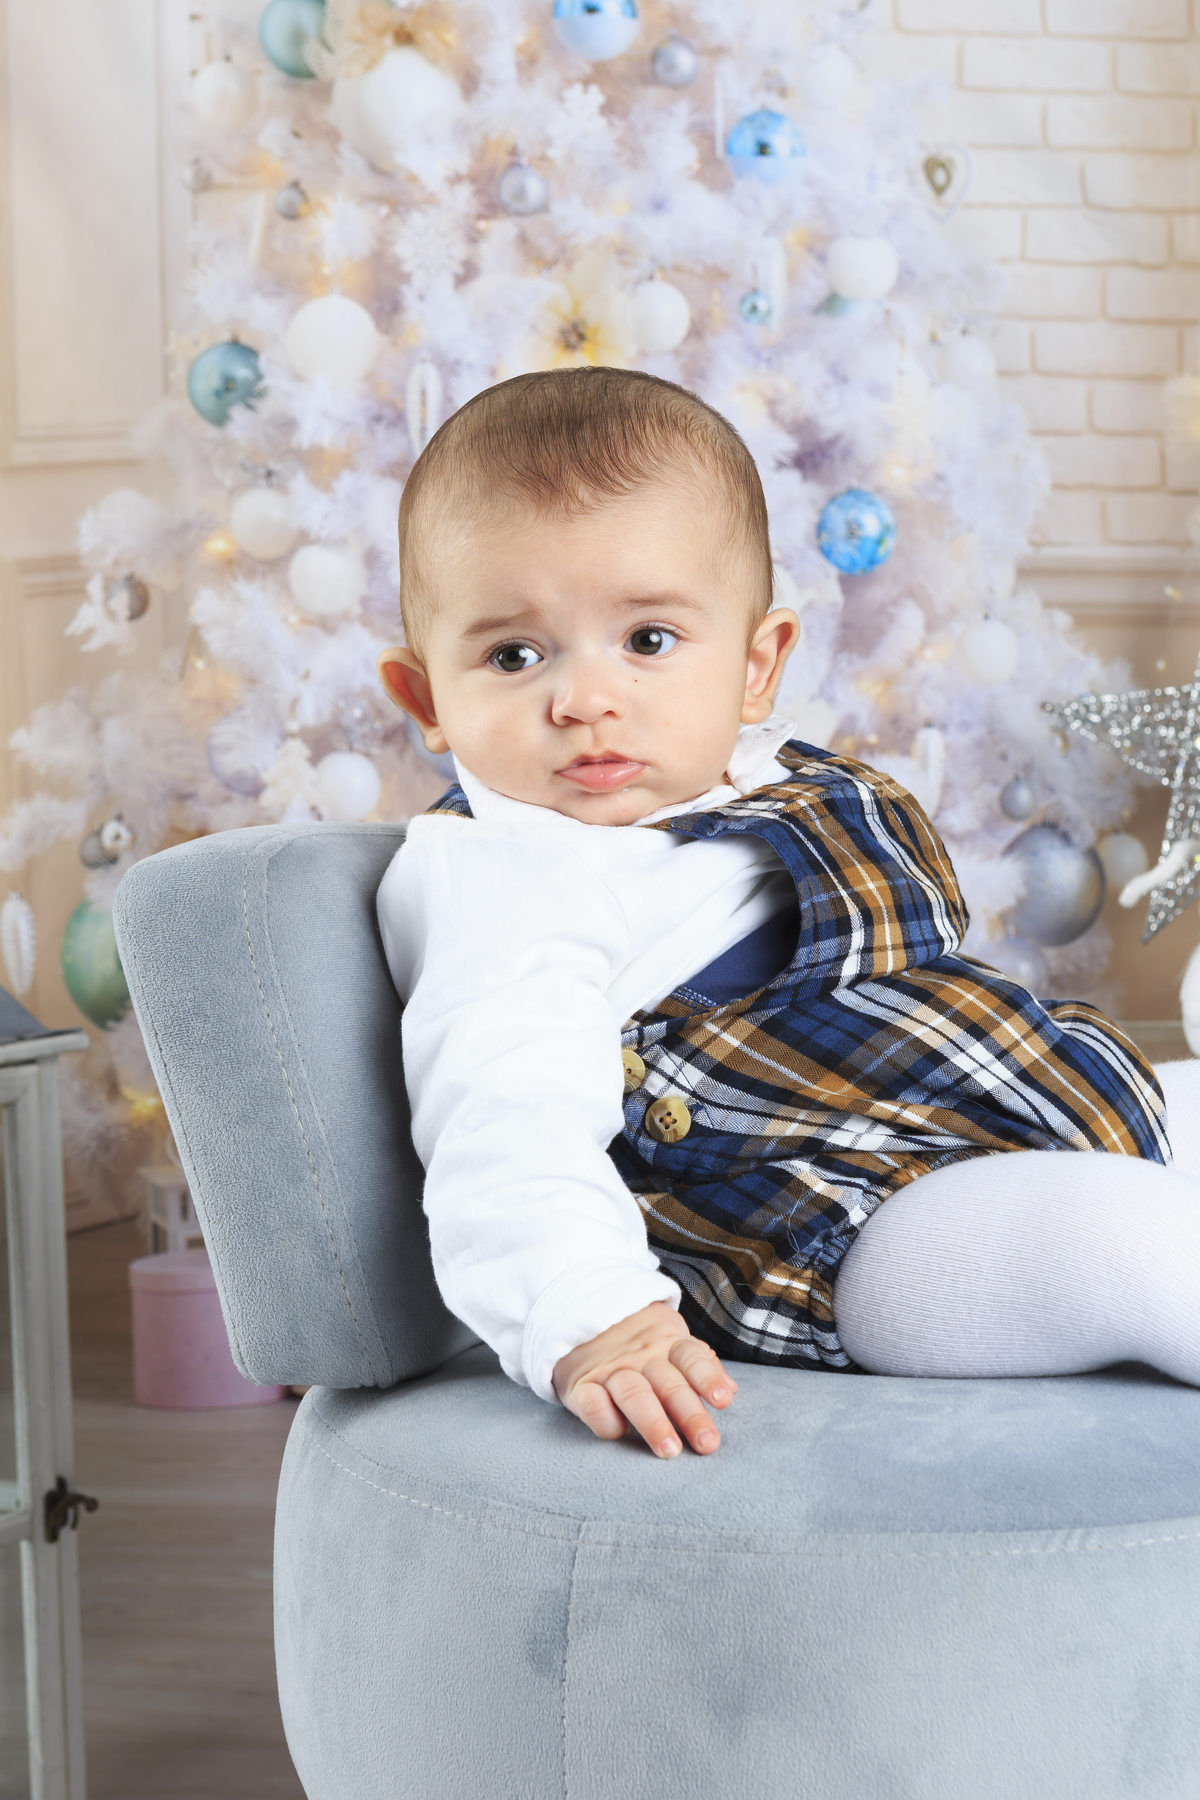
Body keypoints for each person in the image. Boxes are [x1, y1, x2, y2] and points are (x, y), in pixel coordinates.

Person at [375, 365, 1197, 1465]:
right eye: (514, 656)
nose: (585, 700)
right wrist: (593, 1317)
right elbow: (502, 1119)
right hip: (840, 1229)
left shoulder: (752, 779)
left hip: (997, 1112)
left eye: (649, 640)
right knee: (1126, 1245)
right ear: (427, 697)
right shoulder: (510, 877)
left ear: (756, 666)